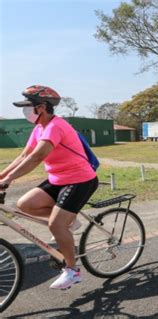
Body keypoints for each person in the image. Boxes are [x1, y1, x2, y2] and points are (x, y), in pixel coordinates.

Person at [0, 85, 98, 290]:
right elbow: (25, 155)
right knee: (24, 204)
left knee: (56, 225)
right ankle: (69, 221)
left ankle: (72, 270)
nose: (25, 111)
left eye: (28, 106)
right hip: (57, 180)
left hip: (80, 180)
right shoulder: (39, 128)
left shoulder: (56, 126)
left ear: (42, 107)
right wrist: (1, 175)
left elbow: (37, 157)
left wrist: (7, 181)